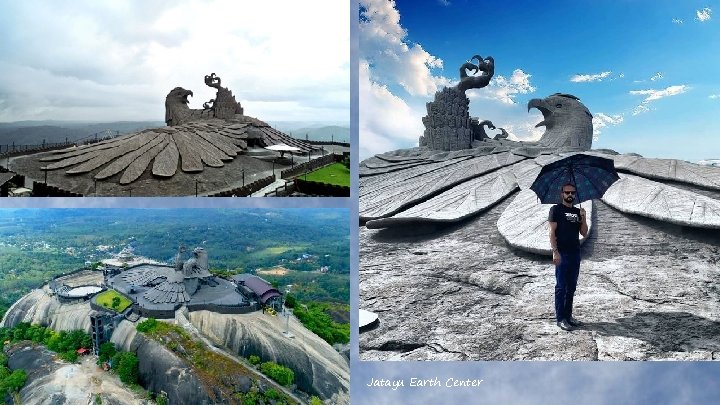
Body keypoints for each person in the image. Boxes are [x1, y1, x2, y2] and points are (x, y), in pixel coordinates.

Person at [548, 183, 588, 331]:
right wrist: (555, 251)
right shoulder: (556, 209)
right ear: (562, 194)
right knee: (561, 287)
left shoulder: (578, 211)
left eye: (572, 192)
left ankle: (569, 316)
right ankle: (560, 318)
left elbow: (584, 233)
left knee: (571, 287)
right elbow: (551, 231)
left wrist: (583, 218)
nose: (570, 195)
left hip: (575, 252)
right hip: (562, 252)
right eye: (567, 192)